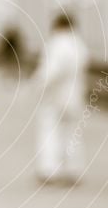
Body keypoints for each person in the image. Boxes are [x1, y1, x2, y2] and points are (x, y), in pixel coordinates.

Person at [34, 13, 90, 184]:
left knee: (50, 132)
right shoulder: (79, 45)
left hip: (56, 97)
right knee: (72, 134)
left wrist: (39, 84)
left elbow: (52, 71)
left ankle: (49, 170)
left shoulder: (57, 43)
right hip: (75, 96)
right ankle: (74, 170)